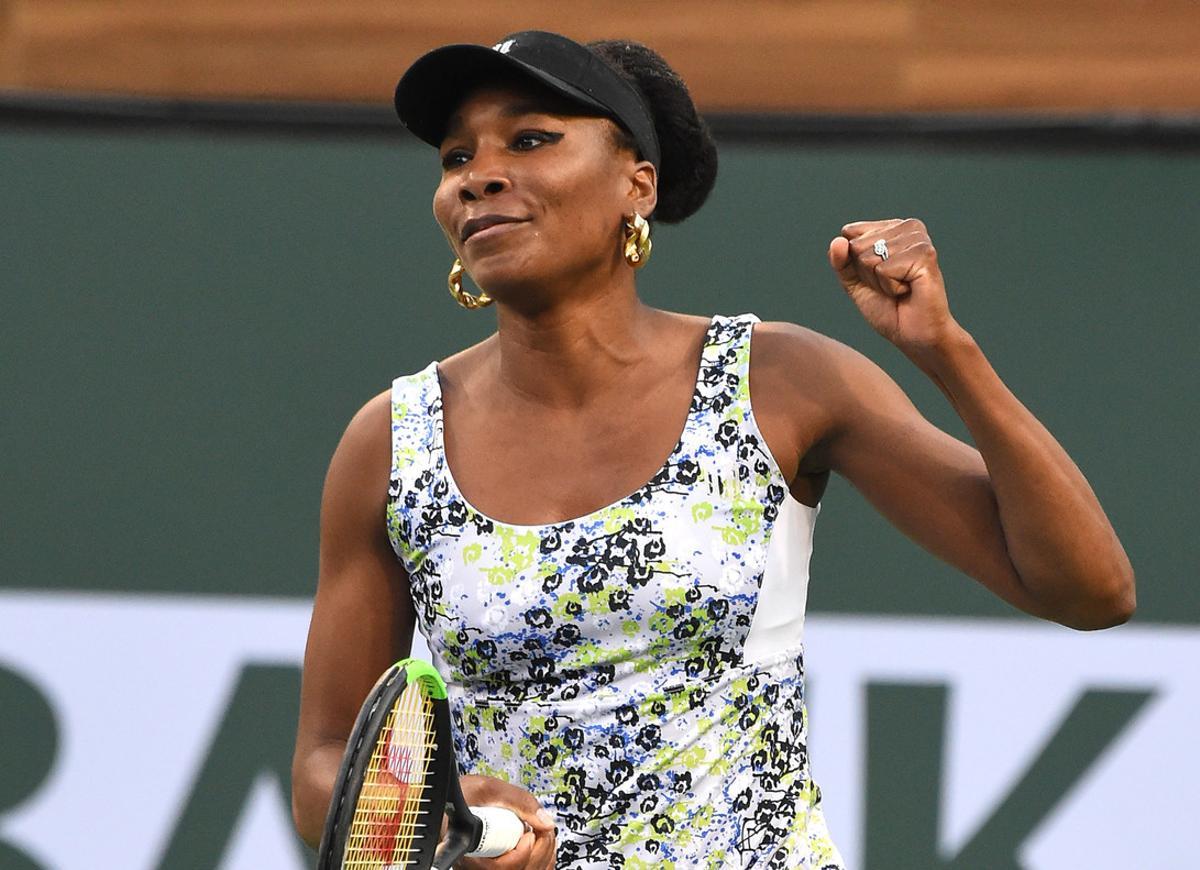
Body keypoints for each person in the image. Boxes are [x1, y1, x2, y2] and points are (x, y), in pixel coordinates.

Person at [291, 30, 1135, 869]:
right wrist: (447, 813)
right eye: (454, 158)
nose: (479, 174)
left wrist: (947, 351)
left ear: (638, 184)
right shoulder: (390, 440)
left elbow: (1090, 590)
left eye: (532, 138)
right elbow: (326, 761)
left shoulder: (779, 380)